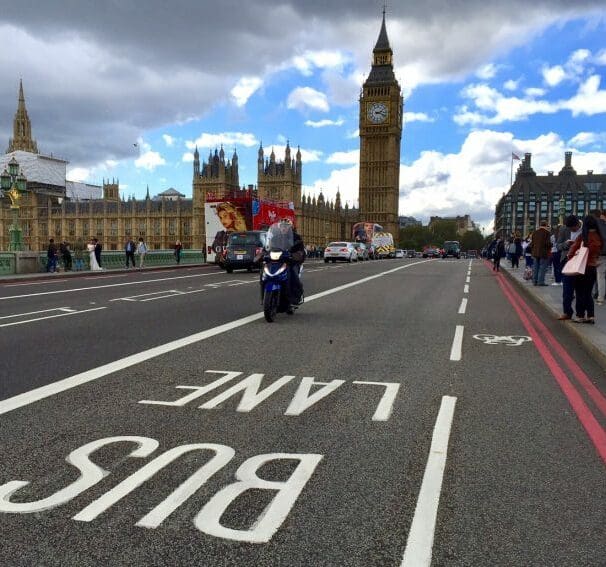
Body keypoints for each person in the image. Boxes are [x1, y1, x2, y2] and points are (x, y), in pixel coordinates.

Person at [567, 215, 603, 324]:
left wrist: (573, 255)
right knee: (588, 293)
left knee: (579, 292)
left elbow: (571, 253)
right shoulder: (599, 237)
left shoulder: (583, 237)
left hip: (581, 267)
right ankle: (591, 316)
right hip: (592, 267)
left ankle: (580, 315)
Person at [556, 215, 582, 321]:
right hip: (567, 262)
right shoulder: (563, 229)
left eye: (573, 228)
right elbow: (558, 246)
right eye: (570, 228)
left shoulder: (585, 229)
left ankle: (580, 313)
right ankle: (567, 312)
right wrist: (566, 244)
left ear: (578, 224)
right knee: (567, 290)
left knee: (580, 290)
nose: (572, 230)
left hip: (581, 262)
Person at [530, 220, 551, 286]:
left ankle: (534, 281)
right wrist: (551, 244)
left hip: (535, 253)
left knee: (535, 267)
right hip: (543, 253)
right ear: (546, 225)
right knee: (542, 268)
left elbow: (532, 244)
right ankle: (540, 282)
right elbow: (547, 243)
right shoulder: (547, 233)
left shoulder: (535, 232)